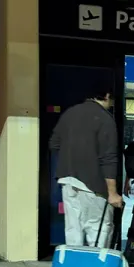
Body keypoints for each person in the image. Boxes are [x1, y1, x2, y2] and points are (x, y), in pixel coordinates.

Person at [49, 83, 123, 248]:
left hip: (67, 181)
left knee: (73, 230)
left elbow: (54, 144)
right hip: (93, 185)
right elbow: (108, 158)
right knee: (98, 230)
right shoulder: (105, 119)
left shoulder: (70, 113)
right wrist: (112, 193)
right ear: (107, 96)